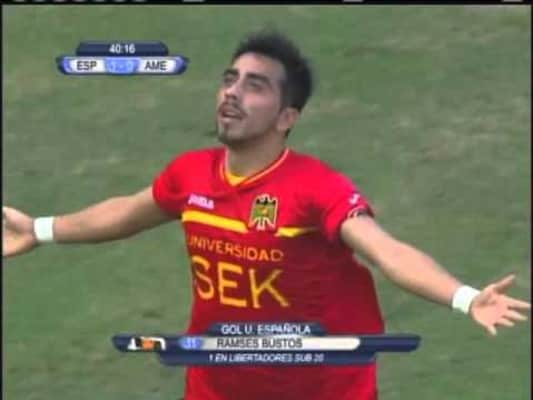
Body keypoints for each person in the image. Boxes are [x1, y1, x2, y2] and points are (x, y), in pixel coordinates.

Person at [3, 31, 530, 400]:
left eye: (254, 85)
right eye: (229, 79)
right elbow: (128, 212)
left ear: (287, 116)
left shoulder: (315, 188)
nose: (232, 92)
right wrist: (41, 229)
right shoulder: (191, 174)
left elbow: (385, 251)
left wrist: (465, 297)